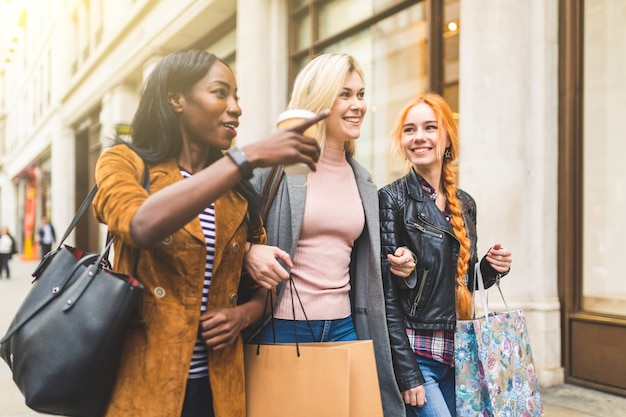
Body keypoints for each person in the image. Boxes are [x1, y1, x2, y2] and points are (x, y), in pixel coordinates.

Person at [92, 49, 326, 417]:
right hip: (144, 382)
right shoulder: (126, 162)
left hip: (219, 389)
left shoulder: (236, 193)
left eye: (237, 97)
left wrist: (242, 316)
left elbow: (264, 293)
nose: (236, 108)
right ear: (176, 98)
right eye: (220, 93)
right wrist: (245, 158)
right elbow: (140, 224)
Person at [247, 52, 409, 417]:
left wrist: (400, 263)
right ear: (318, 100)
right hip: (280, 327)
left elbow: (359, 261)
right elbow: (221, 230)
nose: (358, 106)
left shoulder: (362, 178)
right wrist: (247, 252)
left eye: (361, 94)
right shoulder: (276, 167)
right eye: (345, 94)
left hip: (344, 327)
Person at [378, 92, 513, 417]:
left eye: (430, 127)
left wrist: (492, 268)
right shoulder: (391, 199)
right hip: (418, 356)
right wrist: (407, 373)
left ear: (447, 137)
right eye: (410, 129)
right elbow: (386, 297)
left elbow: (465, 279)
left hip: (461, 353)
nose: (419, 137)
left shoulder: (465, 202)